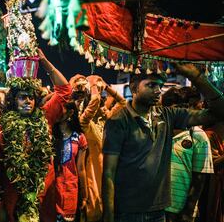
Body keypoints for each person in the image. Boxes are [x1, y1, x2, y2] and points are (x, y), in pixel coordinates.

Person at [102, 64, 224, 222]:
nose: (158, 91)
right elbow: (108, 173)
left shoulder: (167, 115)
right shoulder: (118, 121)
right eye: (151, 85)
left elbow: (219, 112)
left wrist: (197, 78)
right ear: (133, 88)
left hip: (159, 211)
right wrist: (108, 215)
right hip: (127, 211)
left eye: (160, 86)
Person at [0, 48, 71, 222]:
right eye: (22, 97)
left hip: (44, 197)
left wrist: (45, 62)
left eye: (31, 97)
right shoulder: (1, 128)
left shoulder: (45, 118)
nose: (28, 101)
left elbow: (65, 90)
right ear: (13, 100)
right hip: (14, 199)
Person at [70, 74, 126, 222]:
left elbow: (123, 102)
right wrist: (94, 84)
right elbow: (94, 100)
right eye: (100, 101)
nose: (102, 103)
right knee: (94, 211)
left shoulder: (106, 121)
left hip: (109, 171)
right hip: (93, 172)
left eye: (103, 101)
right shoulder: (84, 123)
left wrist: (106, 87)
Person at [161, 87, 214, 222]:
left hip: (181, 211)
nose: (179, 112)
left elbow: (200, 178)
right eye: (174, 109)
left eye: (182, 107)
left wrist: (188, 212)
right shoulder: (159, 131)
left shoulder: (197, 136)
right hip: (157, 208)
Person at [53, 101, 88, 222]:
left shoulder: (79, 137)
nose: (56, 111)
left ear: (70, 112)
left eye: (59, 108)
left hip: (70, 190)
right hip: (51, 190)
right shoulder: (48, 134)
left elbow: (81, 169)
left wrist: (84, 195)